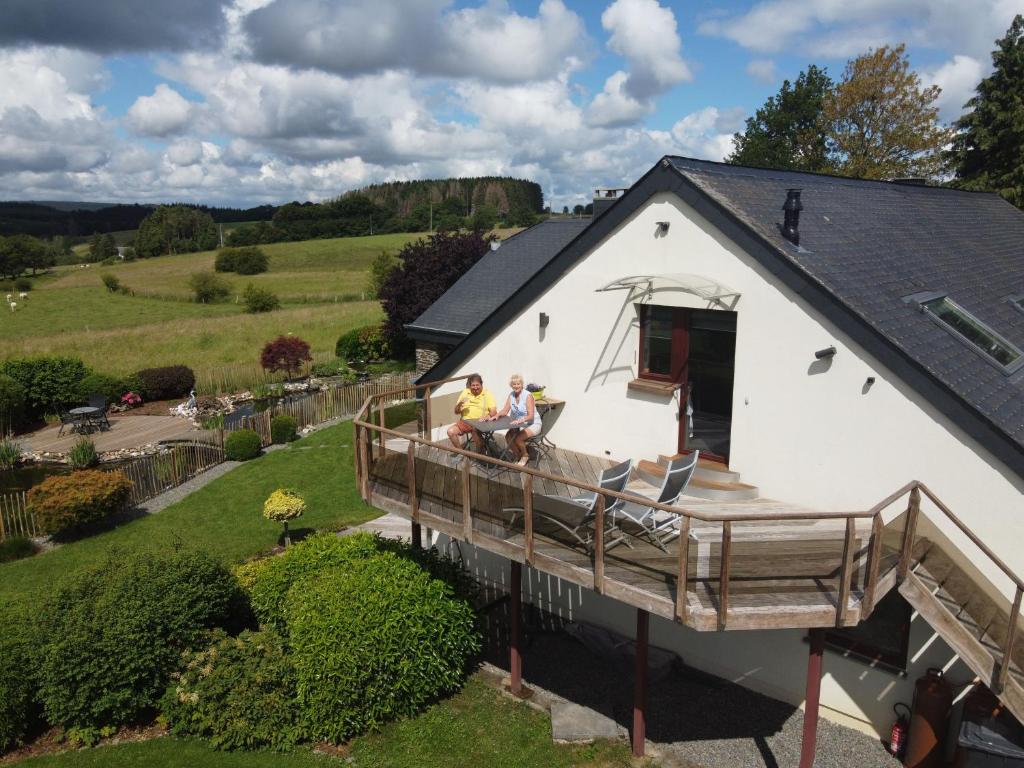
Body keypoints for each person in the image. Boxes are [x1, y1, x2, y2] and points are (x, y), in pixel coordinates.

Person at [496, 373, 542, 466]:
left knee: (518, 438)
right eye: (514, 384)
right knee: (508, 437)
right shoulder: (511, 395)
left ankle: (525, 455)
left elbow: (530, 416)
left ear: (522, 384)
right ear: (511, 385)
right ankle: (518, 454)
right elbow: (505, 410)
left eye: (518, 384)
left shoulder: (527, 396)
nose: (516, 386)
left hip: (532, 423)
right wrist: (496, 416)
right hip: (519, 424)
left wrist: (519, 420)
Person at [447, 373, 496, 458]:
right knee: (450, 431)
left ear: (481, 384)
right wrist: (459, 407)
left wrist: (487, 417)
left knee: (475, 429)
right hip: (465, 421)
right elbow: (456, 411)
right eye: (473, 385)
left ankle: (479, 452)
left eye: (477, 385)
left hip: (480, 423)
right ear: (470, 385)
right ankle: (462, 453)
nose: (475, 387)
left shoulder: (487, 394)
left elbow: (493, 412)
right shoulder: (465, 392)